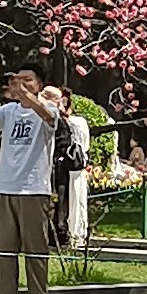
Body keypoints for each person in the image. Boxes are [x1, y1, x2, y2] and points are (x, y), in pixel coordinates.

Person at [0, 69, 58, 294]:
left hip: (34, 189)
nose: (21, 84)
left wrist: (25, 94)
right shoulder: (9, 111)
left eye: (27, 80)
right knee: (3, 248)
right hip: (4, 187)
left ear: (39, 84)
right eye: (17, 80)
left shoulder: (48, 107)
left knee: (35, 248)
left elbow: (48, 117)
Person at [53, 87, 93, 265]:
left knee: (72, 199)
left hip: (72, 166)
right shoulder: (71, 122)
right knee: (67, 200)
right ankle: (69, 232)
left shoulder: (75, 122)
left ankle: (73, 233)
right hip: (70, 166)